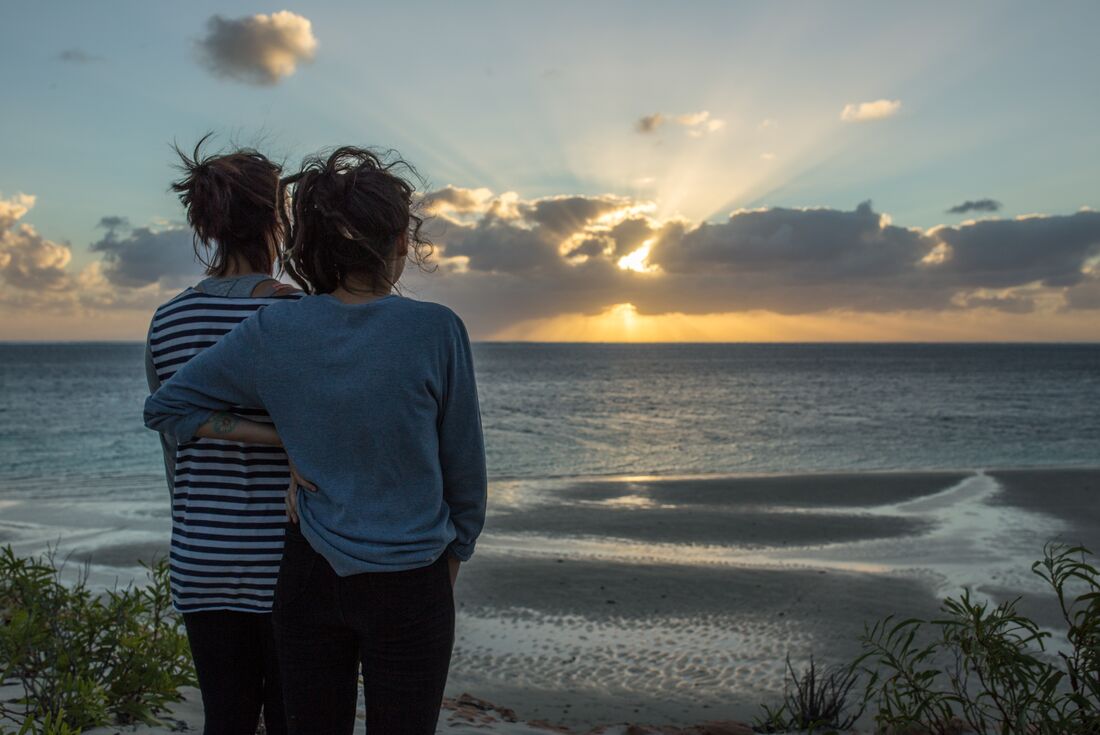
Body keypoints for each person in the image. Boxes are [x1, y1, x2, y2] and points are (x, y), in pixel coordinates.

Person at [144, 147, 487, 735]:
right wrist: (454, 551)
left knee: (249, 720)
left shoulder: (229, 324)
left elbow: (170, 418)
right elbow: (453, 463)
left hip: (256, 559)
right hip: (352, 561)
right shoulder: (400, 326)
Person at [145, 135, 297, 735]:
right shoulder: (296, 313)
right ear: (276, 222)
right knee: (295, 720)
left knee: (226, 719)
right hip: (285, 561)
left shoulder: (169, 319)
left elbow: (172, 449)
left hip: (201, 554)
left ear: (208, 226)